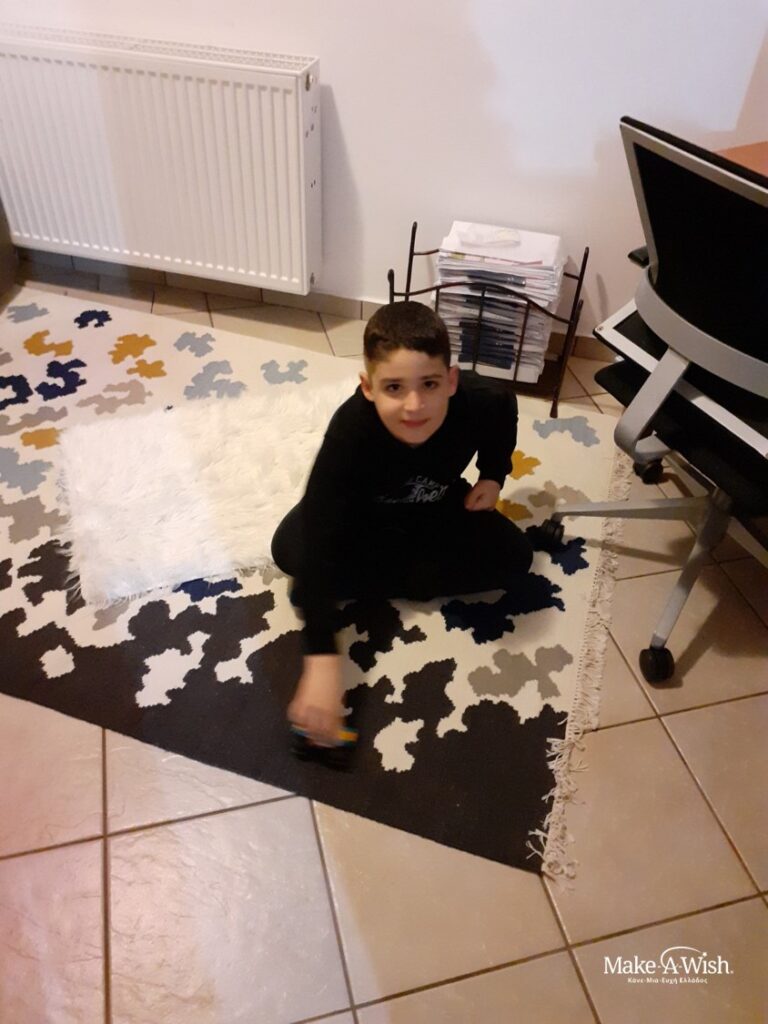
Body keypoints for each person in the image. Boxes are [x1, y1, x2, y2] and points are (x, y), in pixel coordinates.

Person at [271, 301, 533, 747]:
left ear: (451, 380)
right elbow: (319, 524)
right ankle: (383, 580)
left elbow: (504, 409)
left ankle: (349, 584)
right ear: (368, 387)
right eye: (394, 387)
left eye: (429, 384)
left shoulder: (480, 400)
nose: (414, 406)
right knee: (291, 549)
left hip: (437, 511)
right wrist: (321, 660)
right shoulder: (350, 429)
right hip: (361, 523)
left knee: (517, 558)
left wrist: (493, 475)